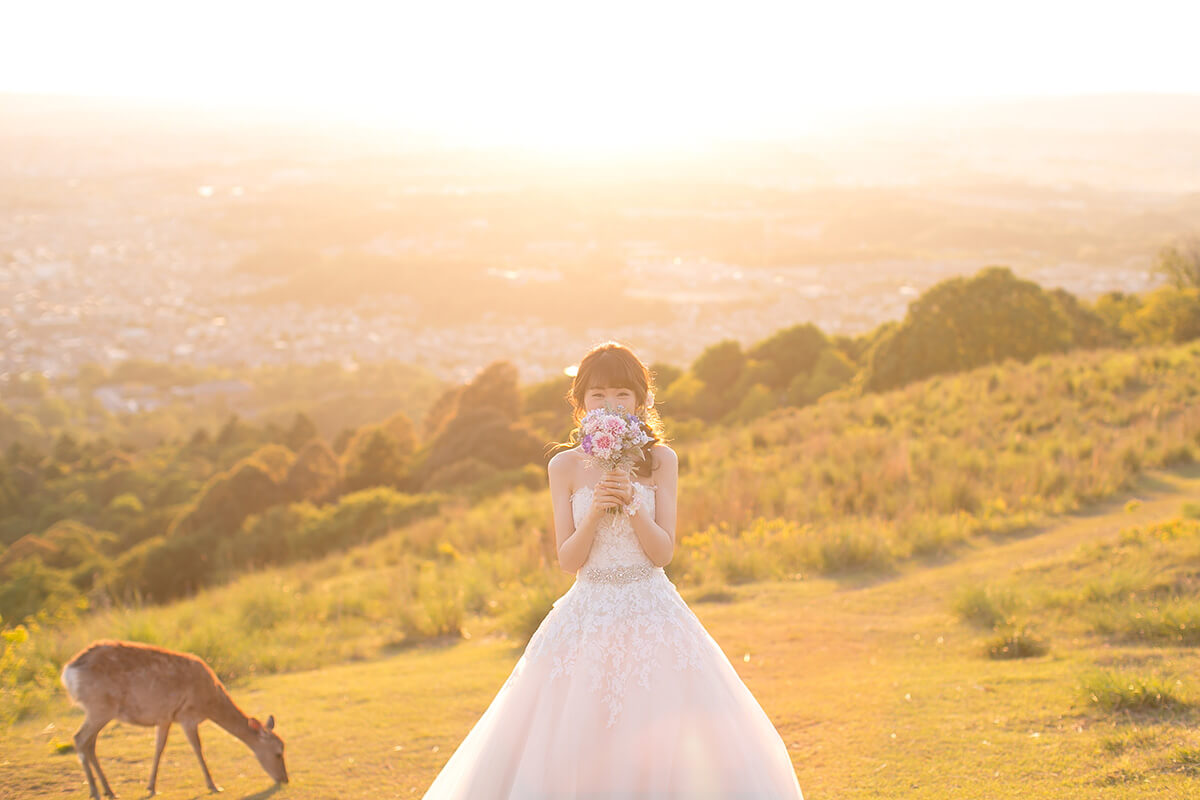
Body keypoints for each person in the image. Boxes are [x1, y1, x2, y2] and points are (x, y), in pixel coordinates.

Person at [422, 341, 805, 799]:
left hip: (652, 607)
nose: (610, 405)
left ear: (641, 402)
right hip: (587, 611)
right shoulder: (563, 465)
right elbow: (568, 561)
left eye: (622, 394)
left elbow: (663, 553)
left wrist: (634, 507)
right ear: (581, 404)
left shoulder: (661, 459)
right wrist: (594, 514)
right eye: (598, 395)